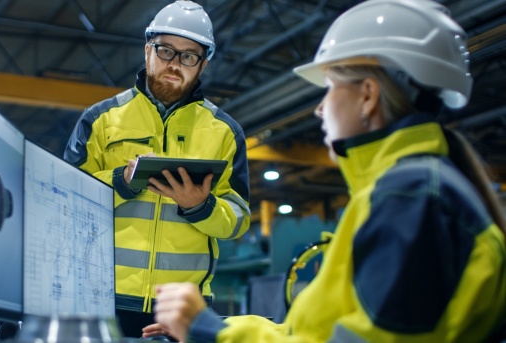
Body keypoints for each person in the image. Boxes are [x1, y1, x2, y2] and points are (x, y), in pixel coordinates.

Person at [144, 0, 506, 342]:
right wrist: (212, 326)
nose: (320, 109)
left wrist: (210, 331)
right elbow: (313, 332)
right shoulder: (407, 192)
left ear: (367, 96)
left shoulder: (411, 199)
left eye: (331, 86)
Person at [62, 0, 251, 338]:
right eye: (165, 51)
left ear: (203, 64)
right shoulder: (101, 120)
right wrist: (123, 181)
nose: (174, 64)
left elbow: (238, 219)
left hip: (181, 308)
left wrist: (201, 206)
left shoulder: (225, 132)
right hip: (99, 297)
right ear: (147, 49)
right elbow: (65, 199)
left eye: (188, 56)